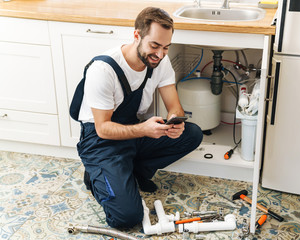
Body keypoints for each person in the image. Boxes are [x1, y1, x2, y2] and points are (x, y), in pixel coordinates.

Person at [69, 7, 203, 229]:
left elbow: (175, 107)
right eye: (154, 46)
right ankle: (97, 174)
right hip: (101, 142)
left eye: (165, 48)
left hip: (134, 132)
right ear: (136, 35)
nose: (160, 54)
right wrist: (144, 130)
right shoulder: (103, 70)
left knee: (192, 134)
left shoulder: (159, 62)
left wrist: (175, 122)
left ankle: (132, 172)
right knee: (127, 218)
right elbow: (103, 129)